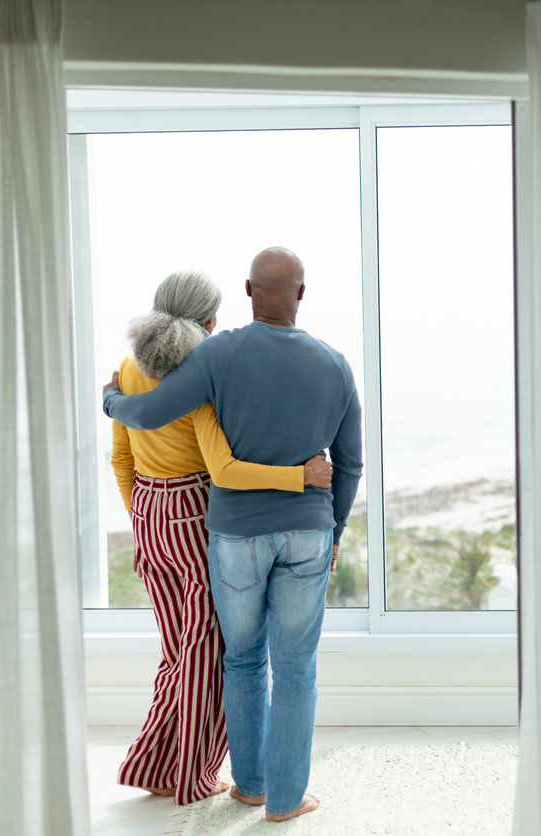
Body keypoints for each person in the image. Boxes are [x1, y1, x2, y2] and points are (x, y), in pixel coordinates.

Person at [102, 248, 363, 823]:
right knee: (296, 667)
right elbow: (349, 464)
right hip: (308, 530)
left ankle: (249, 785)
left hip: (235, 536)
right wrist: (336, 529)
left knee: (241, 660)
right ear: (302, 293)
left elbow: (147, 415)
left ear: (246, 291)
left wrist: (111, 400)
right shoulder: (337, 364)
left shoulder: (219, 353)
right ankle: (288, 801)